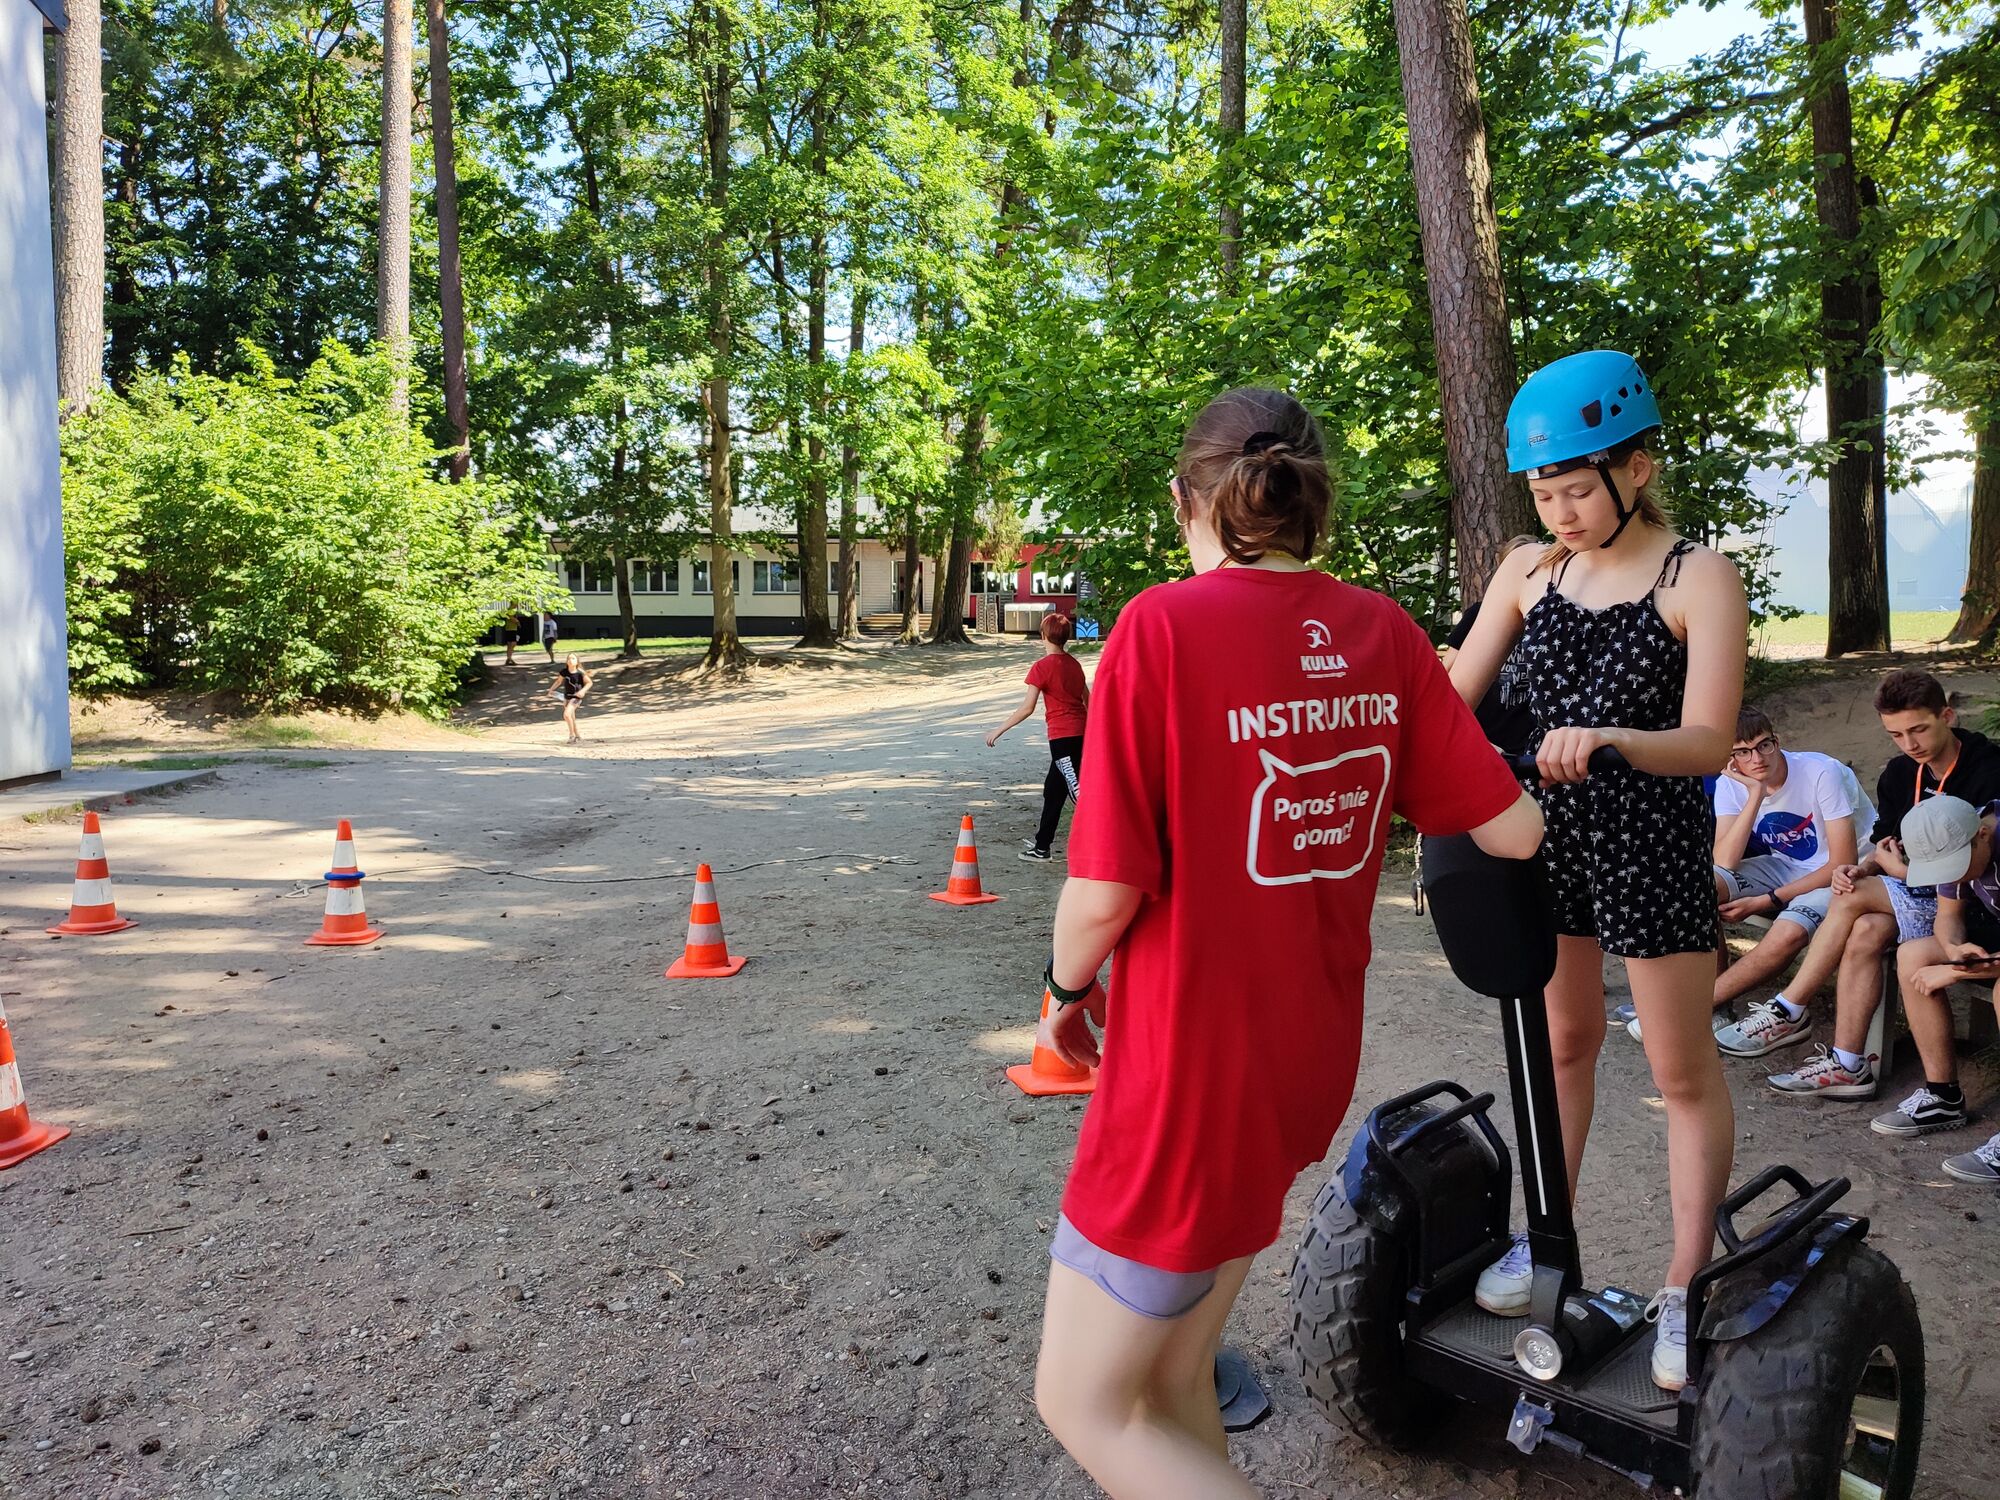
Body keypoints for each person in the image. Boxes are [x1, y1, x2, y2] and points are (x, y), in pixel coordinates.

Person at [1030, 387, 1543, 1500]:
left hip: (1189, 1073)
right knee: (1172, 1382)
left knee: (1082, 1402)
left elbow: (1104, 889)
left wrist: (1060, 994)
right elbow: (1512, 827)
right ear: (1314, 497)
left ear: (1187, 499)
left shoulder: (1159, 627)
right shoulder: (1383, 632)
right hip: (1301, 1058)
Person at [1449, 350, 1747, 1392]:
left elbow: (1709, 741)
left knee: (1677, 1071)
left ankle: (1684, 1286)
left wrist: (1611, 739)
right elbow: (1451, 696)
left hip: (1649, 842)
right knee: (1560, 1044)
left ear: (1636, 469)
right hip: (1546, 839)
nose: (1560, 511)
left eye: (1577, 488)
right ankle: (1545, 1241)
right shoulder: (1526, 572)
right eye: (1543, 492)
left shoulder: (1697, 576)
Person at [1763, 668, 2000, 1118]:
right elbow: (1887, 844)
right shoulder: (1898, 774)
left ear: (1947, 716)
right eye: (1896, 734)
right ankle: (1856, 1065)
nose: (1909, 744)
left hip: (1968, 896)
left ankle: (1790, 1009)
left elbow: (1961, 859)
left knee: (1855, 897)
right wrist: (1865, 865)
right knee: (1867, 925)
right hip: (1943, 896)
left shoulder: (1989, 771)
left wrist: (1896, 870)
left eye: (1918, 729)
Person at [1623, 708, 1874, 1052]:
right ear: (1729, 758)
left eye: (1763, 745)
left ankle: (1682, 1011)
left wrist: (1770, 899)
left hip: (1847, 875)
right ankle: (1710, 1007)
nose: (1756, 758)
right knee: (1697, 887)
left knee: (1788, 930)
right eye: (1742, 752)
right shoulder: (1733, 784)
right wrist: (1755, 795)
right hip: (1786, 865)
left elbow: (1841, 861)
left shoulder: (1821, 772)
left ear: (1777, 741)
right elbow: (1724, 862)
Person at [1883, 796, 2000, 1180]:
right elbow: (1948, 916)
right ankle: (1943, 1096)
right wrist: (1953, 951)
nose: (1954, 876)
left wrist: (1957, 973)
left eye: (1957, 865)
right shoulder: (1953, 836)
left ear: (1983, 835)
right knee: (1914, 955)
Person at [986, 613, 1090, 862]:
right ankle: (1042, 847)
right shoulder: (1074, 665)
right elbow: (1090, 702)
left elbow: (1027, 708)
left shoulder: (1042, 667)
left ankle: (1108, 844)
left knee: (1079, 794)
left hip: (1063, 739)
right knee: (1053, 791)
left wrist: (998, 730)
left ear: (1043, 636)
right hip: (1081, 734)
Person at [1440, 535, 1540, 756]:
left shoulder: (1548, 618)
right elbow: (1446, 672)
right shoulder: (1480, 613)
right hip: (1486, 741)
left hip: (1534, 746)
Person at [553, 652, 591, 744]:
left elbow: (589, 683)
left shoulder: (580, 673)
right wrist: (551, 690)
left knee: (566, 715)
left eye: (573, 658)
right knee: (571, 717)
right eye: (569, 658)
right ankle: (577, 735)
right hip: (567, 697)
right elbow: (558, 682)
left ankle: (572, 735)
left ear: (577, 661)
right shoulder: (564, 672)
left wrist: (582, 691)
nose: (570, 660)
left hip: (576, 697)